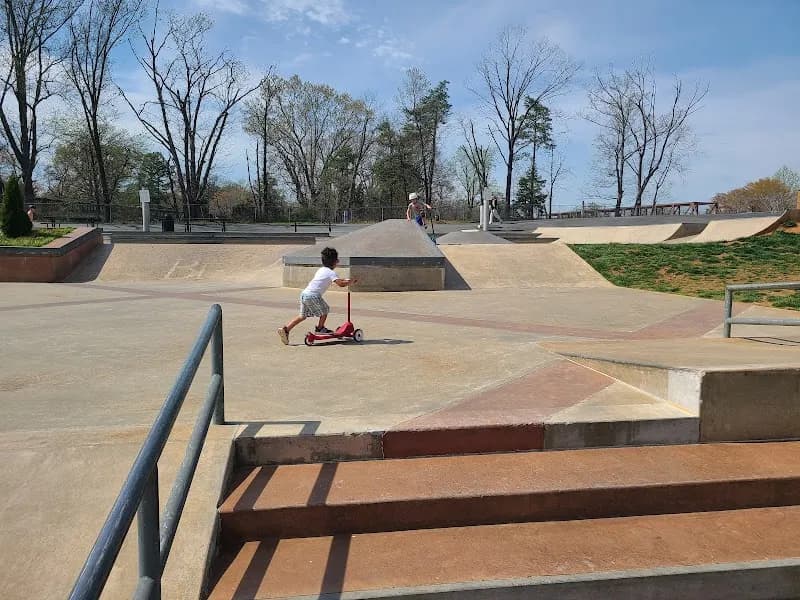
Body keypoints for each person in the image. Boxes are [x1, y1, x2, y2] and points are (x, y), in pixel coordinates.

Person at [277, 247, 356, 345]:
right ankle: (320, 328)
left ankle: (286, 330)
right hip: (313, 296)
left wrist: (345, 280)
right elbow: (340, 284)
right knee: (325, 309)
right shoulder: (331, 272)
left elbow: (338, 280)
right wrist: (351, 282)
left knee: (302, 316)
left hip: (305, 294)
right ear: (335, 261)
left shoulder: (322, 270)